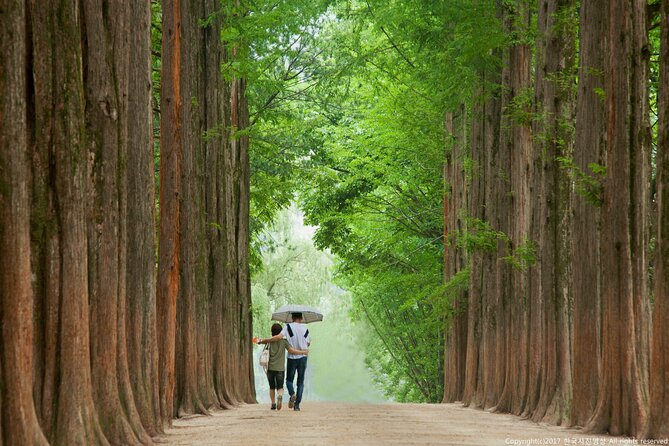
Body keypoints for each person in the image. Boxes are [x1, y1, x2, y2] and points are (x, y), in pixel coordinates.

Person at [258, 312, 310, 411]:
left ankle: (292, 394)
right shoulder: (305, 329)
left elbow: (278, 337)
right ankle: (297, 405)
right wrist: (304, 350)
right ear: (302, 318)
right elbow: (308, 343)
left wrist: (264, 340)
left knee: (289, 381)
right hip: (303, 357)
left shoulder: (288, 327)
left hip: (292, 358)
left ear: (292, 318)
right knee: (300, 382)